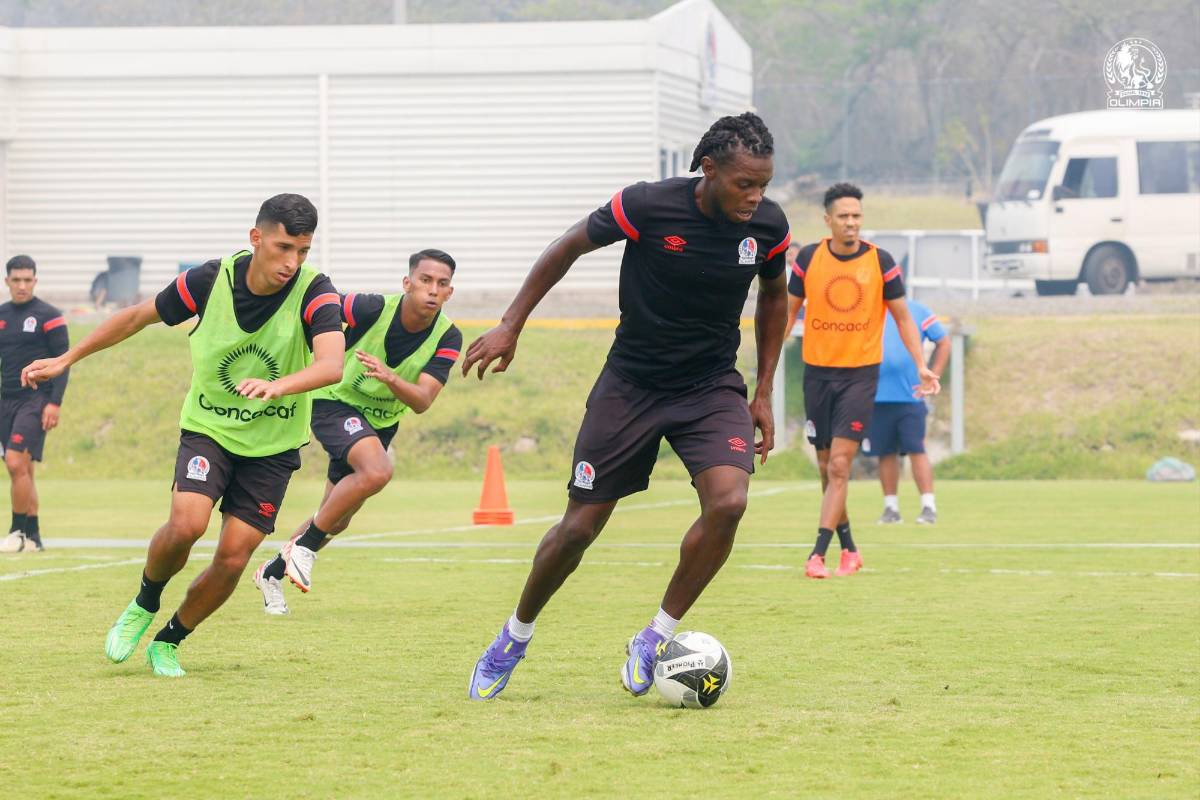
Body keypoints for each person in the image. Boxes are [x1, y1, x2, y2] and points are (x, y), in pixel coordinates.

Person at [462, 112, 790, 701]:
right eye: (745, 183)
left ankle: (656, 637)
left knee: (730, 501)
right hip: (631, 384)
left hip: (711, 386)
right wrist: (511, 324)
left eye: (763, 184)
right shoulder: (645, 206)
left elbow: (773, 295)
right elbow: (565, 248)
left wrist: (762, 389)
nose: (756, 196)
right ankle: (513, 637)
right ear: (708, 169)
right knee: (578, 529)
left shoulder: (767, 226)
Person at [22, 194, 344, 676]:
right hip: (209, 429)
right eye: (283, 248)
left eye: (302, 250)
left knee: (234, 558)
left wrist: (279, 386)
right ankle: (144, 602)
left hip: (273, 447)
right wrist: (67, 359)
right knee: (187, 524)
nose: (292, 262)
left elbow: (331, 365)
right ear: (256, 238)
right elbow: (136, 316)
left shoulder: (316, 291)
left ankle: (168, 641)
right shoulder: (208, 280)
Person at [252, 248, 462, 614]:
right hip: (334, 403)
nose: (432, 289)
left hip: (379, 424)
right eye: (425, 280)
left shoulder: (448, 337)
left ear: (449, 293)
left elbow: (423, 399)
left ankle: (271, 572)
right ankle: (303, 549)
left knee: (337, 516)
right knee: (378, 470)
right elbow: (319, 309)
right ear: (407, 283)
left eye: (441, 284)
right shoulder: (370, 308)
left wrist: (389, 376)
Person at [785, 183, 939, 580]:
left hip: (859, 376)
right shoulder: (809, 258)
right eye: (843, 217)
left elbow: (904, 318)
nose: (851, 223)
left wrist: (921, 364)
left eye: (856, 216)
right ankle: (850, 548)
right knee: (825, 467)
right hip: (817, 374)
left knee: (839, 465)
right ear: (828, 220)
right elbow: (786, 313)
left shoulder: (880, 261)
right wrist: (765, 369)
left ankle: (817, 554)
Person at [0, 255, 69, 553]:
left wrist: (54, 404)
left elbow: (64, 363)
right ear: (7, 282)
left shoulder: (48, 315)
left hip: (36, 399)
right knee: (22, 469)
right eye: (16, 280)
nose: (22, 285)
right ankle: (33, 537)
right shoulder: (1, 315)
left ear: (35, 281)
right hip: (7, 401)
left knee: (16, 462)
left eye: (28, 279)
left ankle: (16, 532)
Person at [863, 300, 949, 524]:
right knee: (885, 452)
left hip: (910, 396)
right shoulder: (867, 307)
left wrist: (933, 376)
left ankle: (928, 507)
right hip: (876, 396)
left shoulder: (918, 310)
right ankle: (891, 509)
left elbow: (943, 341)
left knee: (916, 449)